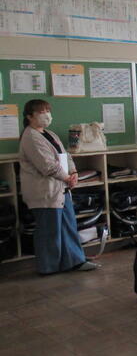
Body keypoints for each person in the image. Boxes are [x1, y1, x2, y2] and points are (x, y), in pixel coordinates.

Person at [18, 99, 99, 275]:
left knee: (68, 227)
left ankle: (75, 261)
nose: (47, 115)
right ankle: (48, 267)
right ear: (29, 116)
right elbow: (47, 165)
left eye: (48, 111)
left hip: (61, 188)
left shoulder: (49, 134)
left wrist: (74, 172)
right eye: (41, 112)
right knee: (50, 231)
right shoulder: (30, 136)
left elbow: (65, 155)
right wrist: (67, 178)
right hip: (45, 192)